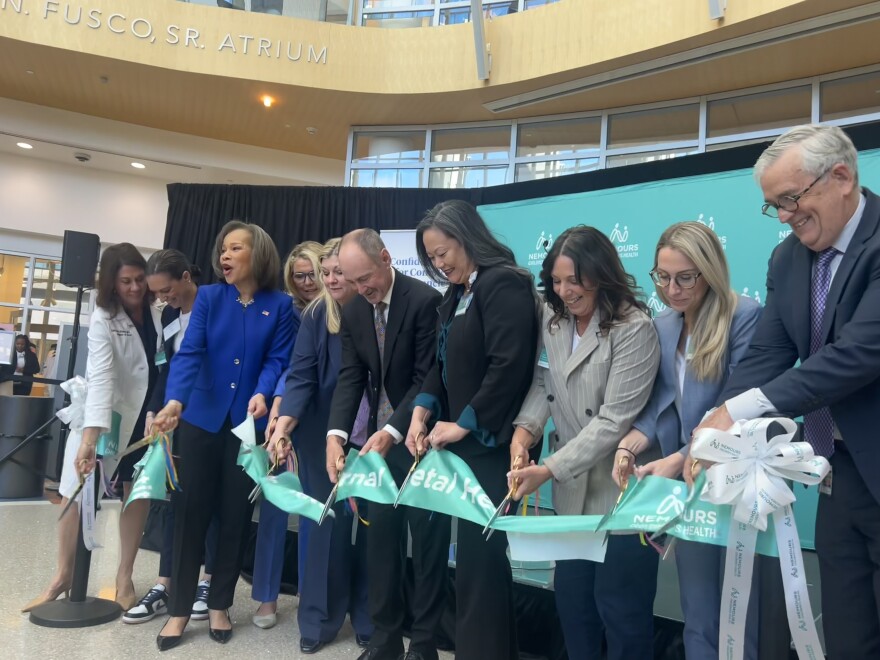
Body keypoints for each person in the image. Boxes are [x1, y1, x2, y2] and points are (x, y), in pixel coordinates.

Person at [692, 124, 880, 659]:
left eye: (791, 199)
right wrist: (710, 434)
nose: (783, 216)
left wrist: (738, 410)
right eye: (773, 205)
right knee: (849, 638)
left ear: (841, 177)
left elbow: (858, 354)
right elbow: (766, 357)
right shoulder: (788, 259)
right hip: (839, 474)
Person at [508, 225, 661, 660]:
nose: (564, 291)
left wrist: (548, 468)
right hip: (572, 494)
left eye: (574, 280)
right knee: (574, 609)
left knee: (622, 614)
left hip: (621, 492)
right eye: (556, 281)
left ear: (601, 273)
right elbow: (545, 383)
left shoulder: (634, 327)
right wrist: (524, 433)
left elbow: (614, 420)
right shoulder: (553, 319)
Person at [614, 221, 762, 659]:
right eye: (662, 277)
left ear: (709, 271)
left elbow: (733, 407)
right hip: (690, 487)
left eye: (684, 278)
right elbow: (659, 403)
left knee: (738, 613)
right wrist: (629, 444)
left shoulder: (744, 316)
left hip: (734, 480)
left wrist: (680, 458)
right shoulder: (662, 325)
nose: (671, 290)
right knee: (697, 611)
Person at [151, 221, 295, 650]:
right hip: (199, 419)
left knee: (235, 516)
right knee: (189, 513)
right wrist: (175, 401)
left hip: (246, 425)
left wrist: (263, 392)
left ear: (258, 254)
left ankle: (219, 604)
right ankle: (179, 609)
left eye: (235, 248)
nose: (224, 256)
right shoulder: (211, 298)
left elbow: (277, 360)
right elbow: (190, 353)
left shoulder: (280, 305)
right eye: (223, 250)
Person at [406, 200, 540, 660]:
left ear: (467, 238)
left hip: (490, 445)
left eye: (443, 253)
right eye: (432, 257)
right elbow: (440, 365)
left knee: (480, 567)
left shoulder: (503, 283)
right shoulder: (457, 293)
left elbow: (509, 366)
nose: (439, 263)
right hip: (462, 448)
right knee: (475, 569)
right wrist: (422, 411)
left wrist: (464, 424)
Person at [324, 228, 445, 660]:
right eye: (352, 281)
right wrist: (336, 436)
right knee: (380, 546)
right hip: (377, 450)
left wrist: (393, 431)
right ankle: (385, 639)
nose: (361, 289)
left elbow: (426, 378)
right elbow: (351, 378)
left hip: (420, 441)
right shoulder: (355, 310)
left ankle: (424, 644)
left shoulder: (425, 301)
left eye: (366, 278)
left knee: (427, 547)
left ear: (386, 259)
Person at [23, 243, 162, 613]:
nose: (135, 288)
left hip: (148, 416)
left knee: (137, 493)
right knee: (75, 492)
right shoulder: (103, 315)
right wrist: (90, 437)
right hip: (107, 415)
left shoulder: (157, 310)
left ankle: (124, 575)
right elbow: (101, 377)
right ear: (111, 283)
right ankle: (62, 574)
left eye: (140, 279)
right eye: (126, 281)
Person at [268, 238, 373, 653]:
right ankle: (318, 620)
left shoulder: (377, 310)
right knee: (324, 527)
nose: (330, 280)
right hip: (319, 433)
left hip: (373, 435)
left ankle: (369, 617)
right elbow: (301, 374)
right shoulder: (316, 314)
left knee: (371, 527)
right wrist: (284, 423)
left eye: (338, 273)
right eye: (324, 272)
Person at [123, 249, 220, 625]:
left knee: (210, 501)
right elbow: (166, 368)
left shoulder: (216, 305)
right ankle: (166, 584)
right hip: (175, 420)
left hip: (212, 418)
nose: (164, 298)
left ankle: (207, 581)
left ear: (186, 277)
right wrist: (154, 409)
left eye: (167, 290)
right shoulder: (167, 316)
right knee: (176, 502)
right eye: (158, 294)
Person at [251, 239, 319, 625]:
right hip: (284, 415)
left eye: (312, 274)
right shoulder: (286, 311)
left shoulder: (341, 307)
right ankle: (266, 597)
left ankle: (312, 595)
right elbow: (286, 363)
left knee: (314, 511)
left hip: (324, 419)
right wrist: (279, 408)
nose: (307, 282)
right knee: (274, 506)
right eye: (299, 276)